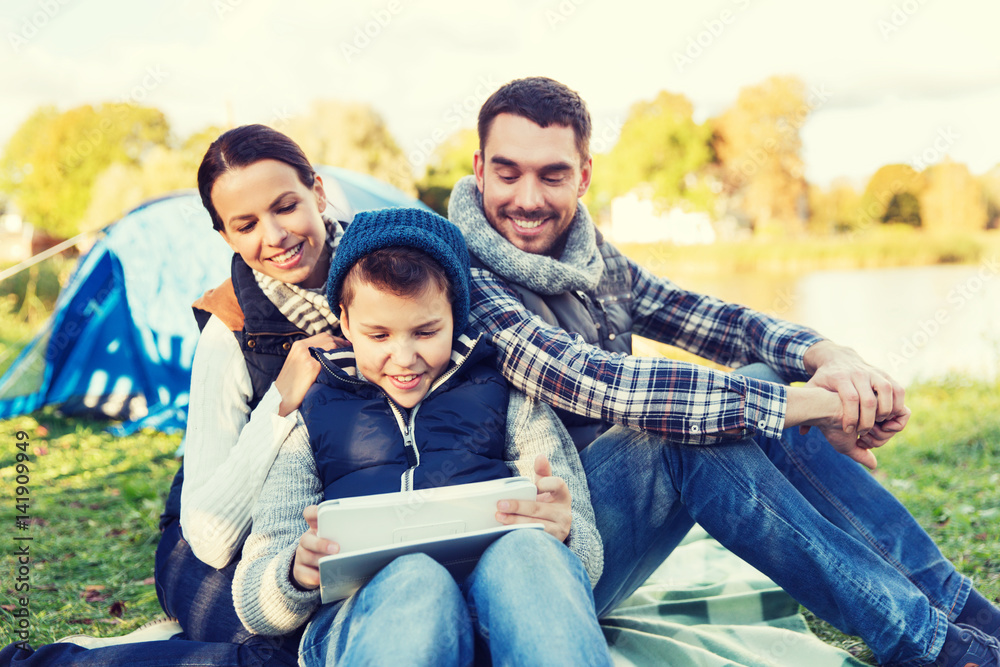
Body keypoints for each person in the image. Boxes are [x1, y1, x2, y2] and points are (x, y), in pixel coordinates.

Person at [446, 76, 1000, 667]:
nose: (527, 198)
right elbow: (596, 382)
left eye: (551, 175)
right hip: (531, 567)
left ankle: (963, 613)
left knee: (758, 377)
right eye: (508, 173)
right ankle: (932, 647)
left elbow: (712, 319)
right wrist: (814, 405)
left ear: (583, 176)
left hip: (610, 532)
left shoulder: (588, 255)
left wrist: (830, 358)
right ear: (479, 169)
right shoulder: (458, 274)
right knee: (676, 429)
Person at [1, 125, 339, 665]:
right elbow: (208, 533)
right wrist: (280, 401)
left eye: (286, 206)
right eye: (246, 224)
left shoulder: (386, 278)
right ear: (225, 236)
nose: (274, 235)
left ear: (317, 193)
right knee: (286, 655)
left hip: (320, 540)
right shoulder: (228, 330)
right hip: (209, 554)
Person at [232, 206, 612, 666]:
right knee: (415, 576)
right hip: (369, 622)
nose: (404, 357)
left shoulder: (508, 396)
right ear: (346, 325)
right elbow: (254, 601)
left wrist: (564, 535)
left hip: (498, 608)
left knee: (530, 552)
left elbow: (586, 559)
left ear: (456, 317)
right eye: (378, 335)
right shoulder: (311, 417)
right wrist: (295, 573)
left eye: (426, 331)